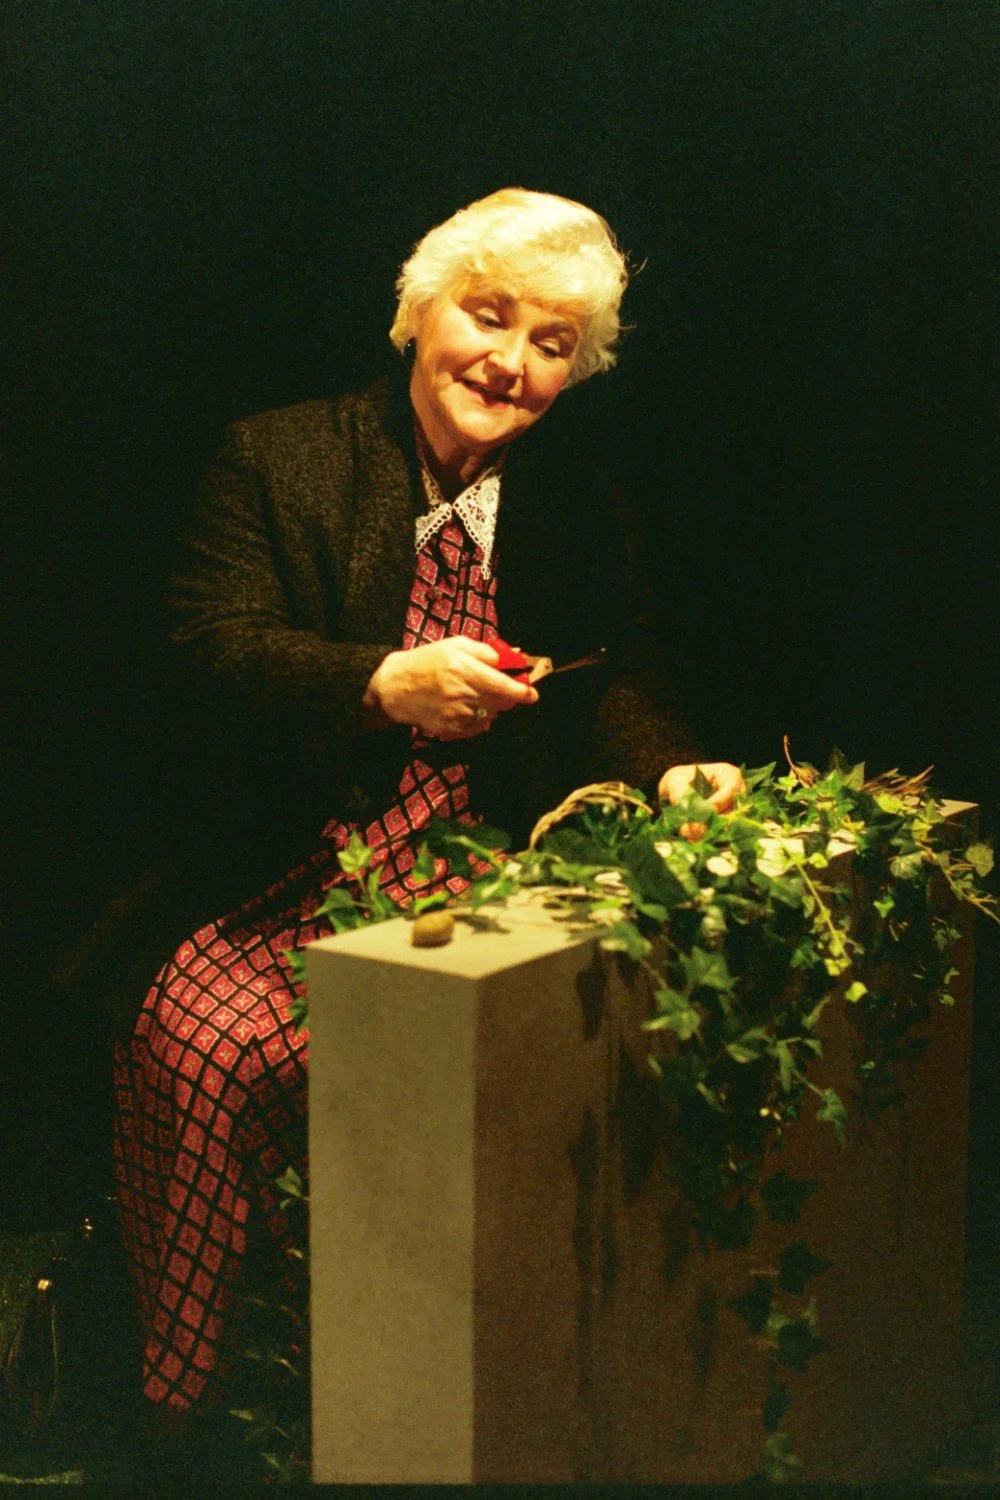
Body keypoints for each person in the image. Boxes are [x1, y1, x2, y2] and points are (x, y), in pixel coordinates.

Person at [111, 188, 745, 1424]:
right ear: (417, 312)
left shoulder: (577, 505)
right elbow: (206, 649)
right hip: (289, 860)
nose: (507, 363)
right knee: (208, 1047)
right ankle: (193, 1397)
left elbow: (619, 679)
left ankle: (436, 1386)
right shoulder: (280, 455)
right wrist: (377, 683)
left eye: (550, 344)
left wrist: (671, 768)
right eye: (487, 315)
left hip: (483, 870)